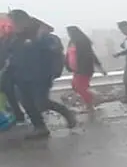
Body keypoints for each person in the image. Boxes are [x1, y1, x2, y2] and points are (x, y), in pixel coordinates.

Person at [6, 10, 77, 138]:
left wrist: (54, 71)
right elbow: (11, 56)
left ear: (22, 21)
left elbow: (55, 52)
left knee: (41, 103)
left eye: (13, 22)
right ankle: (40, 127)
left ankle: (66, 113)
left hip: (40, 77)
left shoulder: (41, 35)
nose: (11, 25)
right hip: (21, 76)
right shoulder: (15, 38)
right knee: (26, 102)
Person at [65, 26, 107, 111]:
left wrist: (100, 67)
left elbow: (91, 55)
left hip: (84, 69)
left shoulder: (83, 42)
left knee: (80, 88)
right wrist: (67, 65)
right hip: (76, 69)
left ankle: (91, 103)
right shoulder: (71, 42)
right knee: (75, 86)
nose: (69, 34)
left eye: (69, 32)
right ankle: (92, 100)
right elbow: (68, 54)